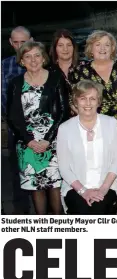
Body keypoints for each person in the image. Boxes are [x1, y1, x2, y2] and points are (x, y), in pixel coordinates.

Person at [6, 41, 70, 215]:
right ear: (21, 61)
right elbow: (12, 116)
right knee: (36, 188)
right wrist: (29, 141)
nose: (33, 60)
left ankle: (59, 225)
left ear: (43, 58)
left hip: (54, 141)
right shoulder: (15, 83)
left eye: (37, 55)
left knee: (55, 186)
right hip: (27, 144)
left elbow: (64, 112)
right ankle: (41, 226)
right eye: (27, 56)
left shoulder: (56, 79)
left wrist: (47, 140)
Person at [56, 80, 117, 215]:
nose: (87, 103)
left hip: (107, 185)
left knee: (100, 208)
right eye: (83, 98)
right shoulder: (65, 128)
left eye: (92, 99)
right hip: (75, 188)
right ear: (75, 101)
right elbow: (64, 167)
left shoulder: (111, 124)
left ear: (99, 102)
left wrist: (103, 189)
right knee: (81, 210)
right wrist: (83, 191)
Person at [70, 30, 117, 125]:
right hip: (92, 124)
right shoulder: (79, 71)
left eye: (107, 45)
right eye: (98, 44)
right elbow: (73, 101)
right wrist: (91, 122)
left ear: (112, 49)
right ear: (91, 49)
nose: (102, 48)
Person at [1, 26, 32, 214]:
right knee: (17, 173)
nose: (20, 46)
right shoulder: (4, 66)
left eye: (24, 41)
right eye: (16, 42)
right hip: (14, 128)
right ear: (11, 43)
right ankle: (21, 215)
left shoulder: (42, 63)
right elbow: (3, 99)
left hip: (43, 130)